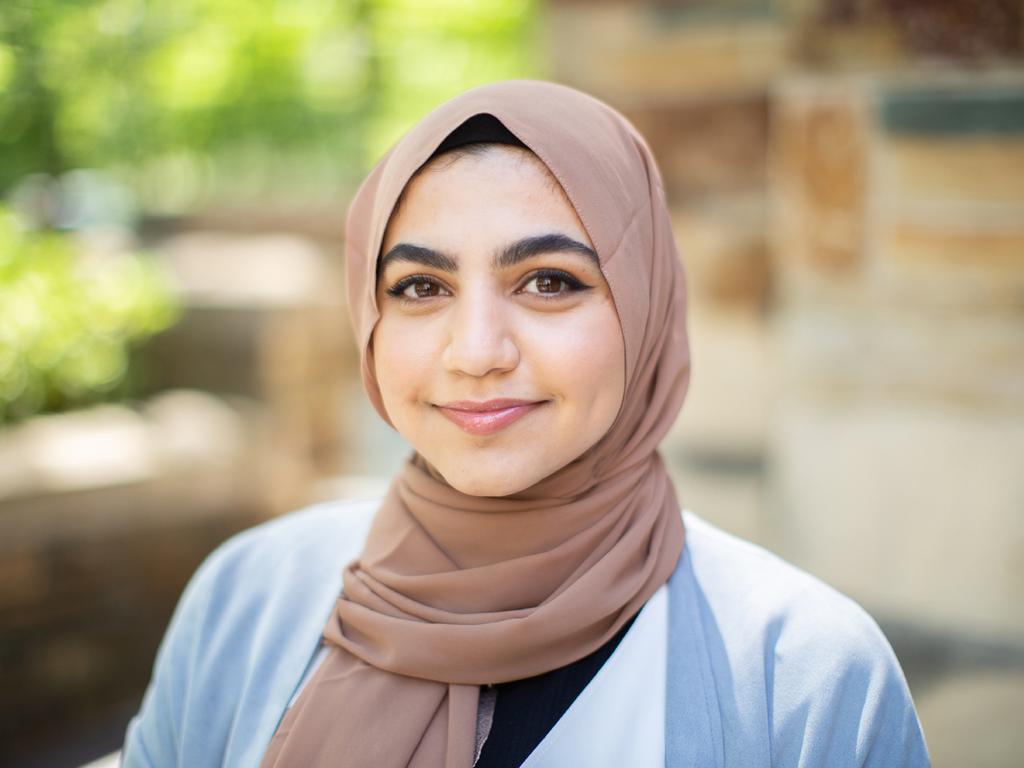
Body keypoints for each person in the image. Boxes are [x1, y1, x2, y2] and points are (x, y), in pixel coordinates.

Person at [122, 80, 930, 767]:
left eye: (548, 281)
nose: (475, 352)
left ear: (645, 307)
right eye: (418, 288)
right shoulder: (245, 599)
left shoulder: (804, 676)